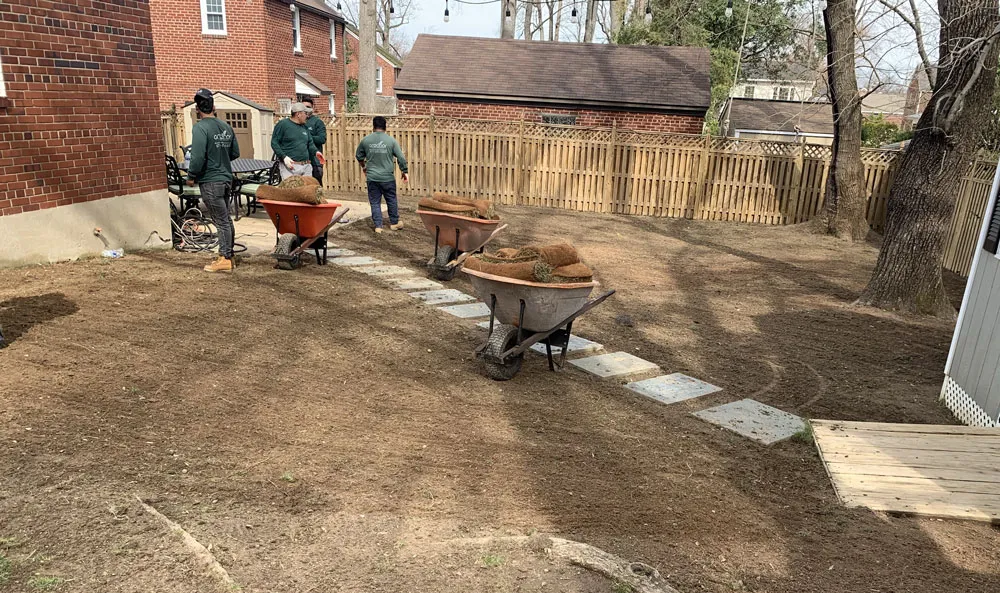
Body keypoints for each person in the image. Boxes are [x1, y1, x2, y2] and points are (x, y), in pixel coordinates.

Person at [186, 88, 240, 273]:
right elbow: (235, 153)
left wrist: (191, 175)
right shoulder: (226, 127)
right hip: (226, 179)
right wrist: (220, 158)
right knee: (226, 219)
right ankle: (229, 254)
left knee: (220, 220)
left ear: (197, 109)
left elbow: (198, 157)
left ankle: (224, 258)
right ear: (213, 107)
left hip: (210, 180)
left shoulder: (200, 128)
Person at [355, 116, 408, 234]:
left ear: (373, 126)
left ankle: (378, 226)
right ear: (385, 127)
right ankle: (394, 223)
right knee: (391, 200)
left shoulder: (366, 140)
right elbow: (401, 158)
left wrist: (364, 167)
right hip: (387, 178)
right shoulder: (391, 141)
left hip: (372, 177)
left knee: (375, 202)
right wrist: (404, 171)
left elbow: (359, 156)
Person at [271, 102, 324, 180]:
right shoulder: (283, 125)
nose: (307, 115)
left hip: (306, 166)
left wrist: (316, 152)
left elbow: (310, 143)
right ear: (298, 114)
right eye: (305, 113)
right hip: (290, 167)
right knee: (291, 191)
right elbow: (274, 143)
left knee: (306, 191)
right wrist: (283, 157)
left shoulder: (304, 127)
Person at [301, 97, 327, 185]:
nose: (306, 109)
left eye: (308, 107)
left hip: (315, 162)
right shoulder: (297, 122)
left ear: (313, 108)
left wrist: (307, 137)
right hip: (300, 162)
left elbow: (322, 139)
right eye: (303, 107)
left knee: (316, 186)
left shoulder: (317, 122)